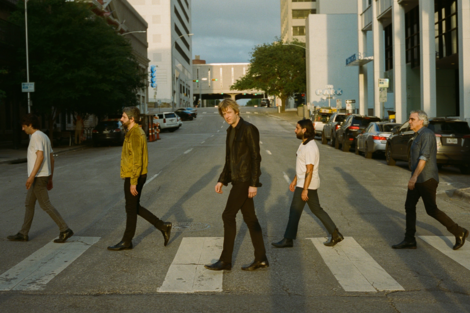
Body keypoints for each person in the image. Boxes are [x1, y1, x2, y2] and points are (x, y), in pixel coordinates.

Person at [205, 99, 268, 271]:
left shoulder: (248, 129)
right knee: (250, 218)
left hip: (244, 180)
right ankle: (261, 258)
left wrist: (254, 184)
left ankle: (226, 260)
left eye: (229, 112)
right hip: (237, 179)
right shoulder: (230, 131)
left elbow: (256, 157)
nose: (226, 116)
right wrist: (222, 179)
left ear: (236, 111)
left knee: (227, 215)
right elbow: (229, 160)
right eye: (224, 113)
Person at [392, 110, 468, 250]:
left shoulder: (426, 134)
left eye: (412, 119)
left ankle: (459, 231)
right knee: (409, 206)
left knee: (432, 210)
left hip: (426, 179)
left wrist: (413, 177)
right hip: (418, 178)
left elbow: (424, 158)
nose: (409, 121)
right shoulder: (418, 135)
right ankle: (409, 240)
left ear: (421, 121)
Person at [272, 119, 343, 248]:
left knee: (295, 211)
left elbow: (309, 170)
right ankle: (335, 234)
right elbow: (301, 167)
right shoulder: (303, 144)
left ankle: (288, 239)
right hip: (304, 183)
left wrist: (305, 189)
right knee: (316, 209)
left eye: (297, 128)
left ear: (304, 130)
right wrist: (294, 180)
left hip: (306, 184)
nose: (295, 130)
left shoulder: (310, 147)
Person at [108, 107, 172, 251]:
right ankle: (162, 226)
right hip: (132, 175)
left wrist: (133, 182)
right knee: (133, 207)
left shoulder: (136, 133)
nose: (121, 119)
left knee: (131, 209)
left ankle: (126, 241)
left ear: (132, 119)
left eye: (123, 117)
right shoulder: (131, 132)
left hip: (134, 175)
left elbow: (137, 161)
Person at [7, 114, 73, 243]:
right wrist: (50, 178)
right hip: (43, 175)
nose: (22, 129)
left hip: (38, 176)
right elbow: (51, 159)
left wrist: (31, 177)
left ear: (30, 125)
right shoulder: (44, 136)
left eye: (24, 126)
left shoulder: (36, 137)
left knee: (45, 204)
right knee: (29, 203)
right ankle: (23, 233)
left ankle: (65, 229)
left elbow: (41, 157)